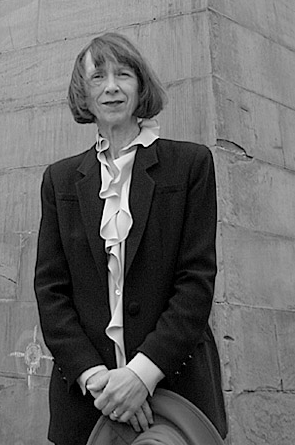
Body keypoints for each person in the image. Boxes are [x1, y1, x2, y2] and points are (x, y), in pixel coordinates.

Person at [34, 32, 227, 445]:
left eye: (123, 74)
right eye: (97, 77)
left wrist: (141, 375)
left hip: (177, 392)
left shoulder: (190, 165)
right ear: (82, 95)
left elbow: (196, 282)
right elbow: (51, 290)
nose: (111, 87)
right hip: (87, 403)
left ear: (140, 87)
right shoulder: (60, 180)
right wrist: (97, 380)